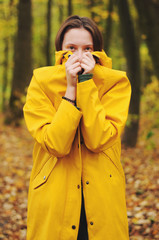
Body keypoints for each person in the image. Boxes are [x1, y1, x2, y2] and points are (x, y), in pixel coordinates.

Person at [23, 15, 131, 240]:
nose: (80, 56)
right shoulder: (41, 82)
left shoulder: (116, 83)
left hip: (103, 192)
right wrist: (70, 91)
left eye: (88, 48)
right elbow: (55, 144)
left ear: (98, 52)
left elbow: (99, 139)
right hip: (54, 192)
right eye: (71, 48)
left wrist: (86, 83)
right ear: (60, 51)